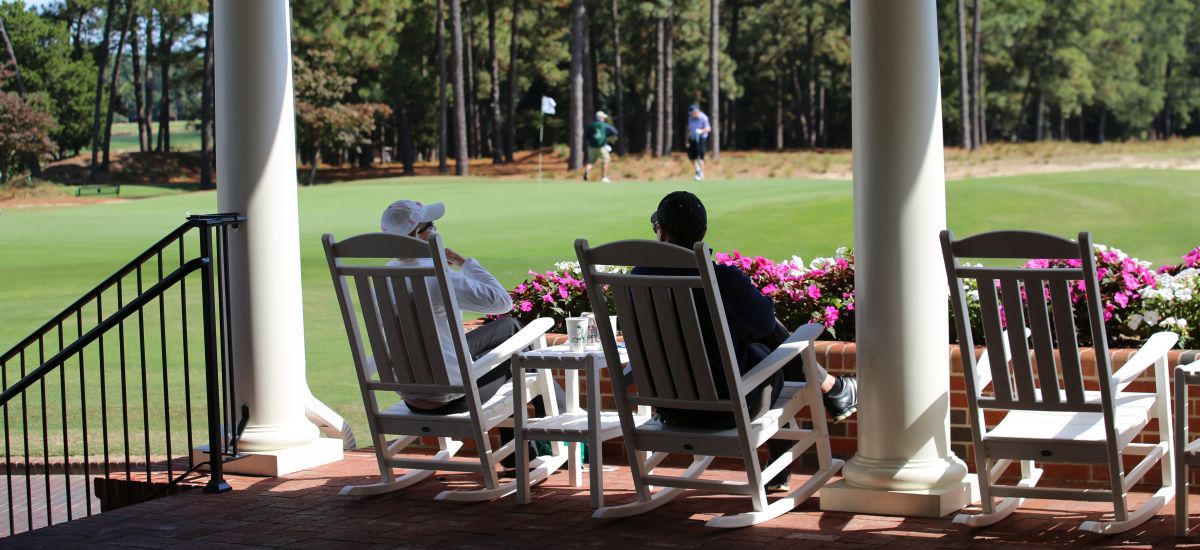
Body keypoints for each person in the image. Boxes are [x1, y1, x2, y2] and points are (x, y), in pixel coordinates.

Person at [634, 191, 858, 492]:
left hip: (668, 410)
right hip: (729, 410)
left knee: (759, 348)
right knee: (767, 350)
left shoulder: (636, 280)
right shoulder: (723, 280)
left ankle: (827, 399)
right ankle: (832, 389)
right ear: (703, 233)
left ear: (661, 231)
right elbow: (765, 323)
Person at [380, 199, 559, 472]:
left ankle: (524, 453)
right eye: (431, 225)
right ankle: (551, 433)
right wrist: (463, 263)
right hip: (453, 397)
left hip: (411, 396)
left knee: (509, 327)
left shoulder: (381, 278)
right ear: (419, 236)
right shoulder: (438, 277)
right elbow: (502, 302)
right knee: (515, 353)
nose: (436, 230)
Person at [584, 111, 619, 183]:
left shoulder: (591, 125)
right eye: (603, 118)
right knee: (606, 159)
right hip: (601, 147)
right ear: (601, 118)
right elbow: (615, 132)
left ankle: (587, 170)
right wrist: (607, 136)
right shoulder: (604, 125)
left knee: (591, 161)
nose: (604, 119)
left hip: (591, 147)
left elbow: (587, 136)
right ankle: (603, 177)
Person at [686, 105, 712, 181]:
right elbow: (688, 129)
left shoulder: (704, 117)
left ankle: (701, 173)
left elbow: (708, 128)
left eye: (692, 113)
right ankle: (697, 170)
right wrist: (687, 140)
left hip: (701, 138)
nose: (691, 114)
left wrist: (701, 131)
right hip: (693, 138)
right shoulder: (690, 118)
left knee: (700, 156)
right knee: (691, 156)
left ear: (696, 112)